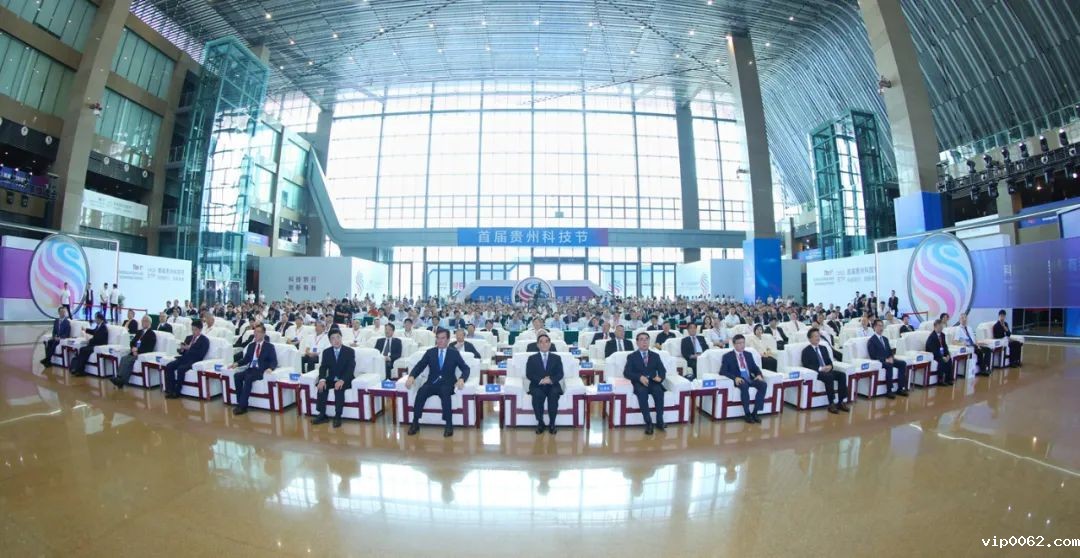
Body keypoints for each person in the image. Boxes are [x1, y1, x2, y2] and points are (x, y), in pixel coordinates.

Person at [406, 328, 471, 437]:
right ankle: (415, 422)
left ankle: (449, 424)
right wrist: (412, 376)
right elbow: (420, 366)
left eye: (443, 338)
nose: (439, 341)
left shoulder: (454, 353)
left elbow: (465, 368)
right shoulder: (430, 352)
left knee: (445, 393)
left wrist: (462, 379)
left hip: (448, 383)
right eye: (438, 338)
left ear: (448, 340)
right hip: (432, 383)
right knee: (421, 391)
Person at [623, 332, 666, 434]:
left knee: (659, 391)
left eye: (646, 339)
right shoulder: (632, 356)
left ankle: (660, 420)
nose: (644, 342)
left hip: (653, 381)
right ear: (637, 342)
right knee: (642, 393)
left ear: (649, 341)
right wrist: (639, 377)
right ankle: (648, 423)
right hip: (639, 383)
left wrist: (660, 378)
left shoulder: (655, 356)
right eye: (641, 339)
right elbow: (626, 373)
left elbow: (662, 370)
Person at [719, 334, 767, 423]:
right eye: (739, 343)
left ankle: (755, 413)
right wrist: (735, 378)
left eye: (743, 343)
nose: (742, 345)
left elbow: (755, 368)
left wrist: (759, 374)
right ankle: (747, 414)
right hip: (739, 379)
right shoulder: (728, 356)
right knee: (744, 386)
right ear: (734, 344)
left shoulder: (748, 354)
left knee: (763, 385)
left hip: (750, 378)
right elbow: (723, 371)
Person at [231, 324, 278, 416]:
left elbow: (274, 361)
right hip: (250, 369)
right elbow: (246, 359)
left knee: (248, 378)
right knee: (237, 376)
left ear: (263, 334)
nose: (256, 334)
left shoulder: (269, 346)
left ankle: (243, 406)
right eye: (255, 332)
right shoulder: (251, 346)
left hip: (260, 371)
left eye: (258, 332)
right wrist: (237, 363)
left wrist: (270, 368)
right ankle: (239, 402)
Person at [801, 328, 849, 414]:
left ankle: (841, 402)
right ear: (810, 339)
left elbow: (829, 361)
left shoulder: (823, 348)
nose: (817, 338)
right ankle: (831, 403)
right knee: (829, 377)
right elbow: (806, 365)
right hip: (818, 373)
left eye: (818, 336)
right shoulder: (806, 351)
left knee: (842, 375)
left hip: (828, 370)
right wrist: (820, 369)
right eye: (815, 336)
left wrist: (830, 366)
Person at [312, 330, 354, 427]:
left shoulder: (349, 351)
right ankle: (322, 414)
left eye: (338, 337)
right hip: (332, 378)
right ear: (330, 341)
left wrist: (342, 380)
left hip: (345, 379)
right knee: (321, 386)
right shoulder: (327, 352)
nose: (336, 340)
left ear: (341, 338)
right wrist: (322, 380)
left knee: (338, 388)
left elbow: (350, 369)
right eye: (333, 338)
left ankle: (338, 416)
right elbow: (323, 367)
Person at [525, 334, 563, 435]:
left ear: (550, 344)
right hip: (537, 385)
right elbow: (529, 374)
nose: (544, 344)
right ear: (537, 345)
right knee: (537, 395)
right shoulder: (532, 358)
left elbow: (560, 374)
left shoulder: (557, 358)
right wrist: (541, 380)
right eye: (541, 342)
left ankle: (552, 424)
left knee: (553, 394)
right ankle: (540, 423)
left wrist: (550, 380)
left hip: (552, 385)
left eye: (546, 341)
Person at [163, 320, 209, 398]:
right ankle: (170, 390)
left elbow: (201, 354)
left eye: (195, 330)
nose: (193, 331)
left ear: (200, 329)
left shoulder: (204, 340)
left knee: (181, 369)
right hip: (184, 358)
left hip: (194, 360)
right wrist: (182, 350)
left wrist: (189, 348)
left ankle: (177, 392)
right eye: (192, 329)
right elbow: (182, 352)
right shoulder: (188, 337)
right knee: (169, 366)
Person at [867, 319, 908, 398]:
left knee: (902, 364)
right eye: (879, 326)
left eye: (882, 326)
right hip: (880, 361)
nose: (881, 328)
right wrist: (885, 360)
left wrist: (891, 357)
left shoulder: (885, 339)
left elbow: (890, 351)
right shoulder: (871, 340)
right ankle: (889, 390)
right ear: (874, 327)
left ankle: (900, 388)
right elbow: (873, 355)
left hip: (888, 359)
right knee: (889, 365)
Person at [112, 315, 156, 388]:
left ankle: (122, 380)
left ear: (149, 323)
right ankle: (119, 378)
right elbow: (132, 342)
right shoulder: (139, 332)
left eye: (145, 321)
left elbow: (149, 348)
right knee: (124, 358)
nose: (143, 322)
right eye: (142, 321)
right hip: (134, 352)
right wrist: (133, 348)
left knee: (128, 360)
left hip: (142, 353)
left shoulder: (151, 334)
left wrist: (138, 350)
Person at [71, 312, 109, 376]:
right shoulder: (99, 326)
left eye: (95, 318)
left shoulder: (103, 327)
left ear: (99, 319)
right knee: (82, 349)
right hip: (94, 344)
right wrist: (86, 330)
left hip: (98, 346)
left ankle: (79, 370)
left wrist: (90, 340)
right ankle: (78, 369)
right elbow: (94, 332)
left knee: (84, 350)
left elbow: (99, 339)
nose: (95, 320)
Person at [925, 319, 954, 385]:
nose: (941, 328)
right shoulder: (932, 336)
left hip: (941, 353)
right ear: (935, 326)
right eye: (940, 326)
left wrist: (947, 354)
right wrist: (942, 357)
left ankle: (949, 379)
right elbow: (933, 349)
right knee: (941, 361)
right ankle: (940, 380)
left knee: (949, 360)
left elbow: (945, 346)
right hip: (934, 354)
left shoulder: (943, 335)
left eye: (942, 326)